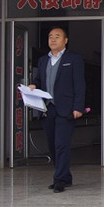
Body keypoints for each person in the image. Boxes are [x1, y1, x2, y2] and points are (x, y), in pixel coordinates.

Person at [29, 26, 86, 194]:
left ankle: (59, 179)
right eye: (50, 37)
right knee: (52, 145)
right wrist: (33, 85)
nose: (53, 39)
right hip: (48, 109)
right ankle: (65, 176)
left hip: (66, 109)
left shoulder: (74, 59)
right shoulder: (43, 60)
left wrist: (78, 107)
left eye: (57, 36)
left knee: (62, 144)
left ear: (65, 41)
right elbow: (39, 80)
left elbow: (80, 84)